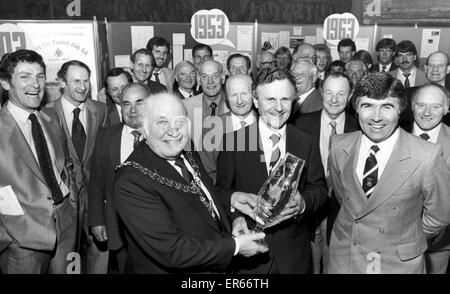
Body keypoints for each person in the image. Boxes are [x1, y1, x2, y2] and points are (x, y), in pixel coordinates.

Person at [114, 93, 268, 273]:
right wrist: (235, 246)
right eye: (162, 122)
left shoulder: (187, 152)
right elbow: (170, 250)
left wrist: (231, 201)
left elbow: (199, 198)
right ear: (145, 129)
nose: (173, 131)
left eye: (179, 121)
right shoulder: (131, 179)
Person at [328, 72, 450, 274]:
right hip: (345, 257)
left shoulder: (426, 155)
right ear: (356, 108)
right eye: (367, 106)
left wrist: (407, 237)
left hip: (396, 263)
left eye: (387, 106)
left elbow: (440, 214)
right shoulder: (340, 145)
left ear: (401, 109)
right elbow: (344, 197)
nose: (376, 117)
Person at [216, 69, 328, 273]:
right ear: (256, 101)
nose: (278, 108)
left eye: (285, 99)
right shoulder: (234, 141)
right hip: (250, 258)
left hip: (294, 257)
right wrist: (236, 217)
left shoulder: (305, 140)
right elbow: (221, 193)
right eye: (270, 99)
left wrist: (302, 203)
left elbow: (319, 189)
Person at [0, 49, 77, 273]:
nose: (35, 84)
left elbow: (66, 165)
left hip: (66, 221)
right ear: (5, 83)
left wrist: (71, 205)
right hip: (21, 239)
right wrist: (8, 236)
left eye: (40, 76)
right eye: (24, 77)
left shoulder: (50, 118)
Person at [293, 72, 359, 274]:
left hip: (341, 216)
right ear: (321, 92)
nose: (333, 99)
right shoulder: (300, 123)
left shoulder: (359, 128)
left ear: (350, 96)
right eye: (329, 92)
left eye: (340, 94)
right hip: (306, 214)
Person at [48, 60, 109, 274]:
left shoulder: (100, 110)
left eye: (86, 81)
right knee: (65, 254)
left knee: (100, 248)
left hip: (95, 193)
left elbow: (104, 153)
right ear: (61, 82)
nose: (83, 87)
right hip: (65, 198)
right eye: (76, 81)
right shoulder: (46, 114)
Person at [88, 82, 150, 274]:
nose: (132, 110)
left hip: (156, 229)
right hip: (117, 226)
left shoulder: (166, 136)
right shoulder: (106, 136)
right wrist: (97, 220)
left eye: (139, 102)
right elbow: (96, 181)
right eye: (126, 104)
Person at [404, 83, 450, 274]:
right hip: (394, 241)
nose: (427, 112)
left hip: (439, 243)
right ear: (412, 105)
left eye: (436, 106)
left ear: (447, 108)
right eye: (421, 105)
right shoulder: (392, 136)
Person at [201, 74, 258, 183]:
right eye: (234, 95)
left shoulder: (266, 124)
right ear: (226, 97)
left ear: (254, 95)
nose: (239, 101)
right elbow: (208, 172)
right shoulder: (211, 128)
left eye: (244, 94)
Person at [182, 60, 229, 151]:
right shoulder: (185, 107)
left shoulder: (235, 107)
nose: (210, 81)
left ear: (222, 78)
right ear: (199, 79)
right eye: (204, 76)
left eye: (215, 76)